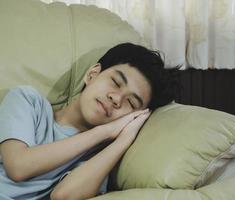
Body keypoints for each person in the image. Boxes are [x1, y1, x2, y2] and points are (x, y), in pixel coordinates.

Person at [0, 43, 179, 200]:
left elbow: (64, 196)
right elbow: (18, 166)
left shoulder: (98, 157)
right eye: (116, 82)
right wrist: (102, 132)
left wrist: (122, 141)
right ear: (92, 74)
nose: (116, 99)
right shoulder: (29, 101)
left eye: (131, 102)